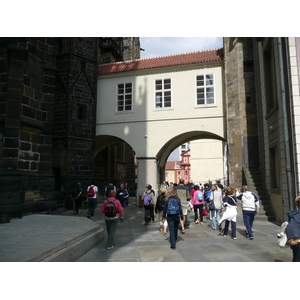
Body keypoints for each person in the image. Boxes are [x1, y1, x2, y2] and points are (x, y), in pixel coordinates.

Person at [285, 196, 300, 262]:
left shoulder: (294, 215)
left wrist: (291, 238)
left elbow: (291, 227)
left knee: (297, 259)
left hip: (298, 241)